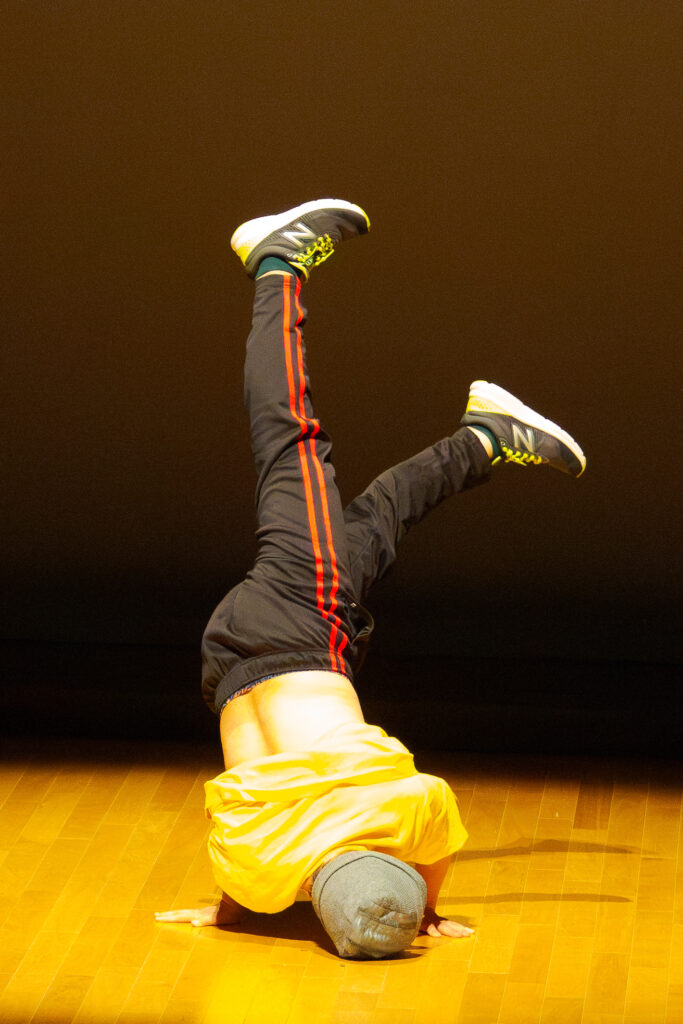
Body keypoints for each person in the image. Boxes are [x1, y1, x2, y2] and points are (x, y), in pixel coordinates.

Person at [155, 199, 586, 959]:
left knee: (289, 441)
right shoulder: (256, 873)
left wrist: (427, 911)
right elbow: (238, 885)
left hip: (299, 623)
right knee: (375, 524)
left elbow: (438, 825)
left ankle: (276, 264)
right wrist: (225, 916)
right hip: (229, 661)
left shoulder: (393, 808)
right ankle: (486, 438)